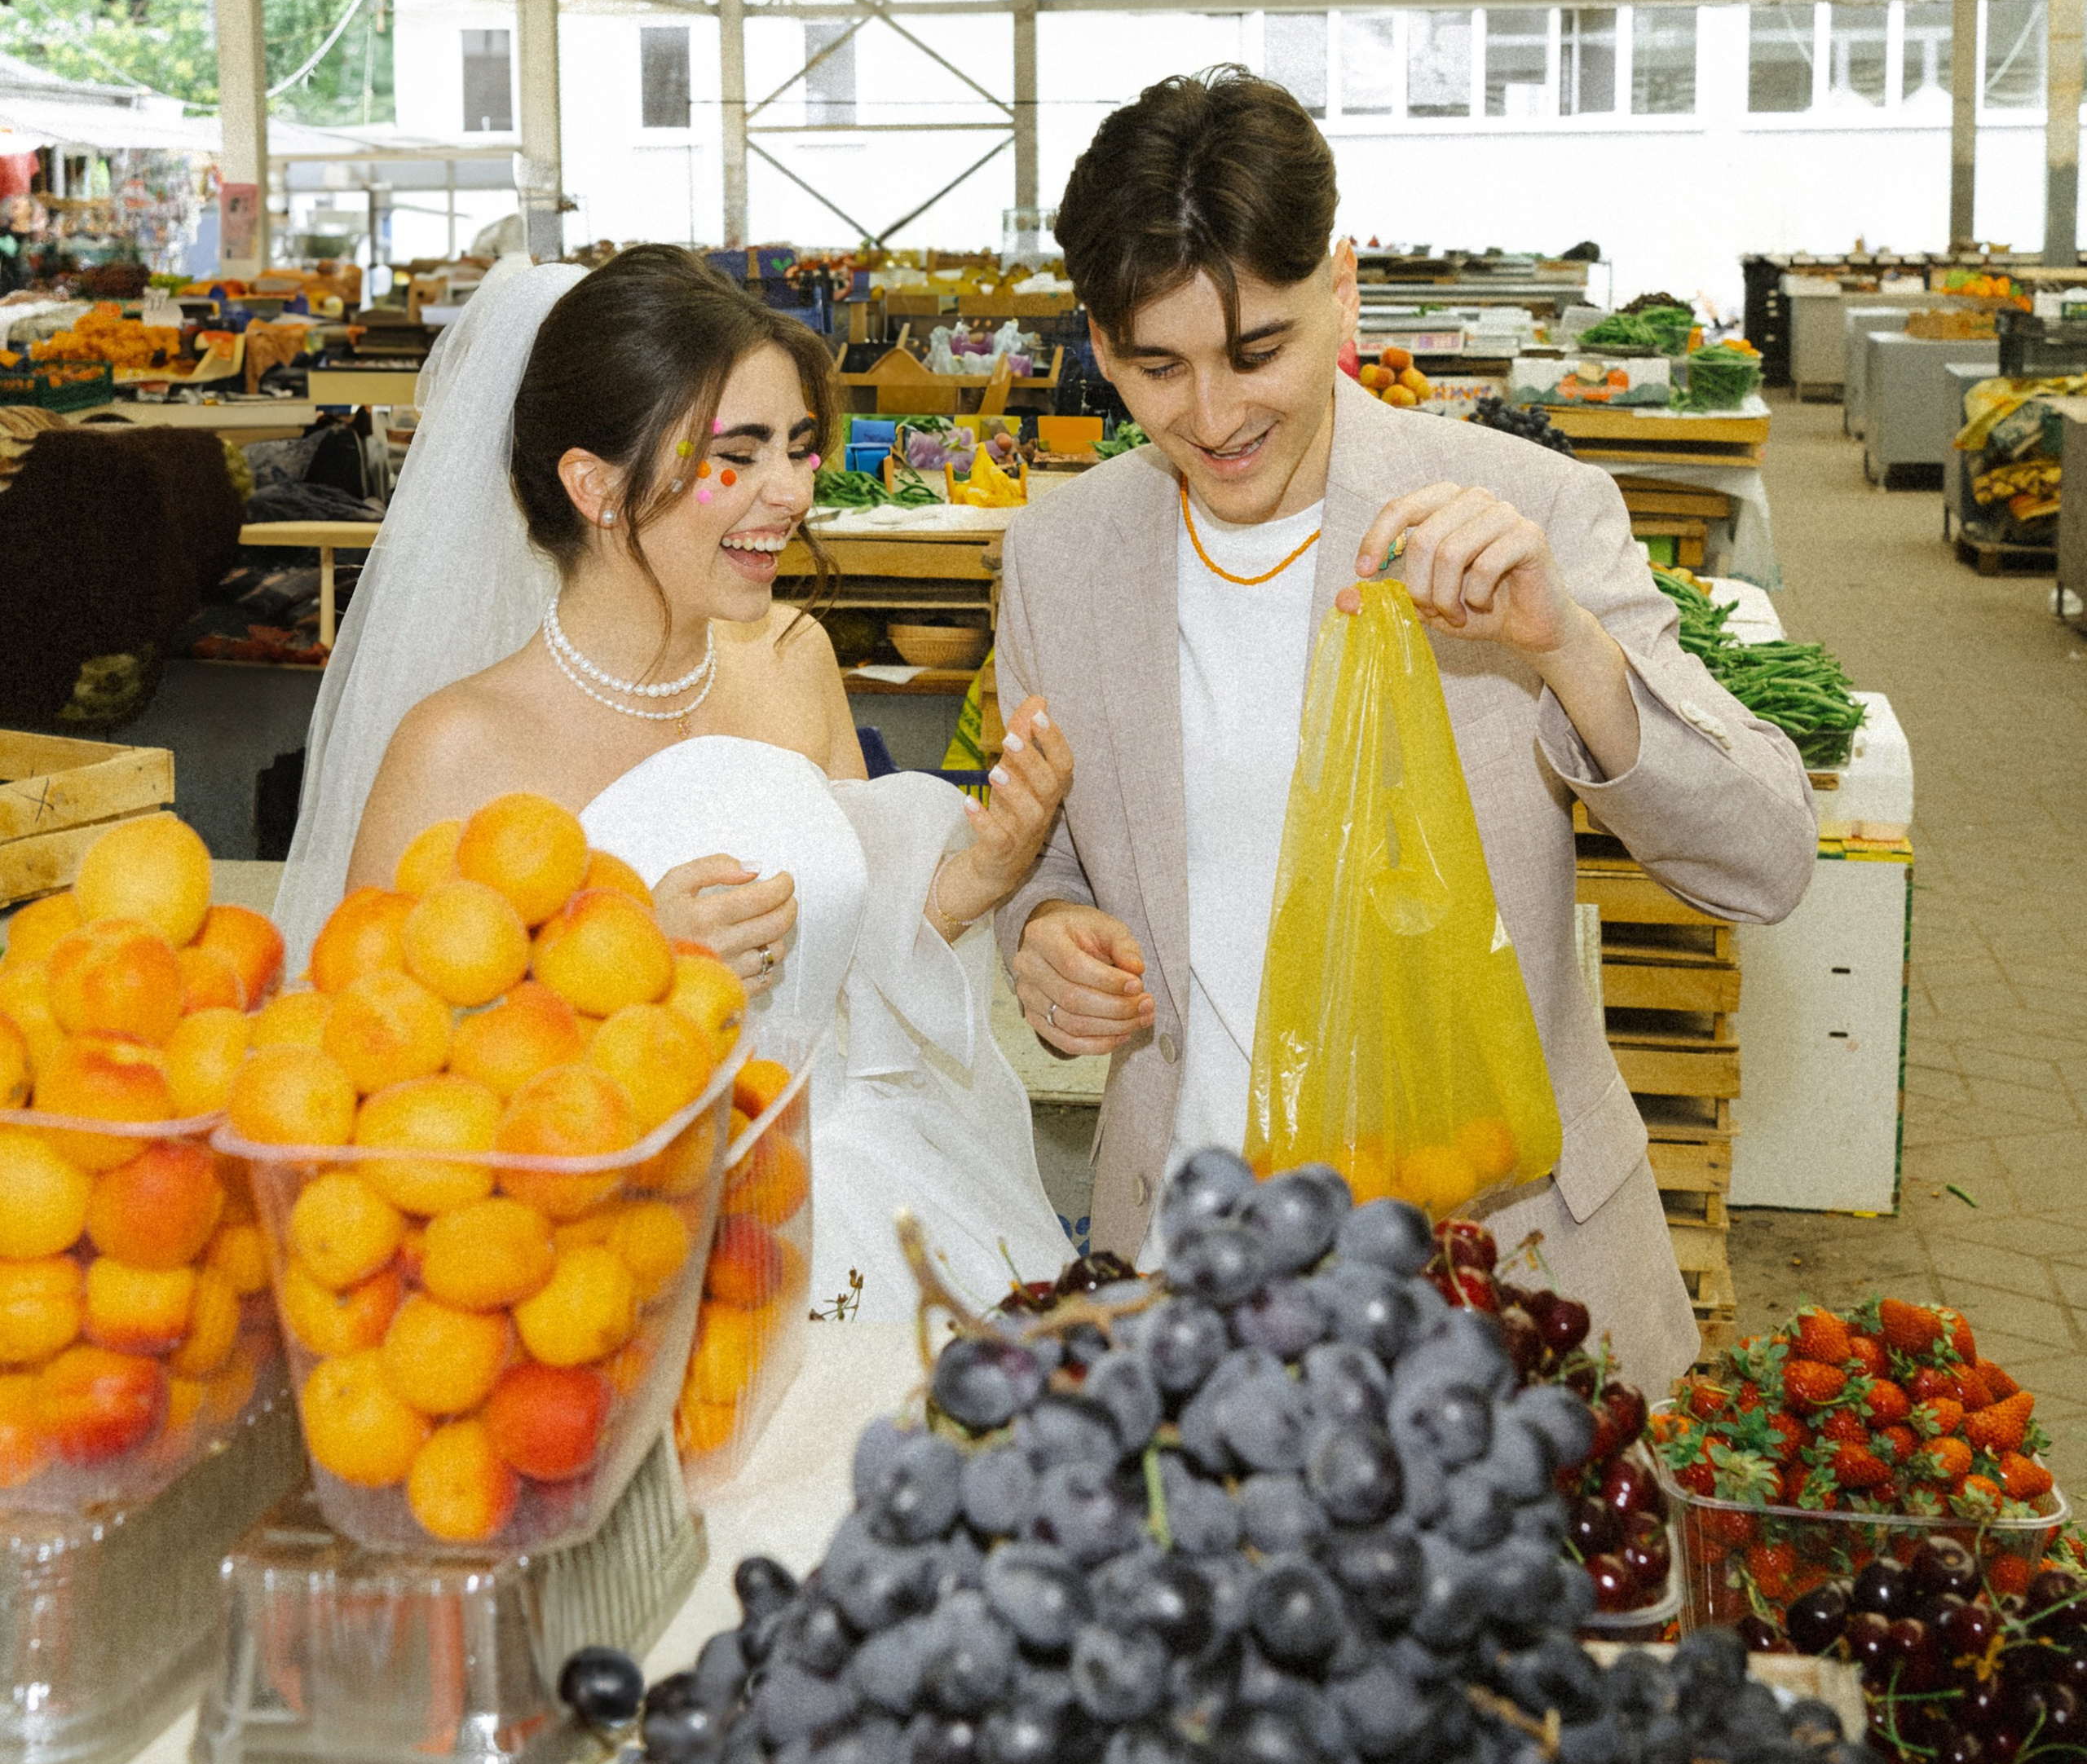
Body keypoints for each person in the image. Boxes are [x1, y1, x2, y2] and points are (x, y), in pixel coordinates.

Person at [993, 73, 1817, 1396]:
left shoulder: (1518, 509)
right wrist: (1041, 932)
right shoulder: (1058, 559)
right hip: (1194, 1284)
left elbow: (1768, 857)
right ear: (1097, 343)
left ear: (1344, 290)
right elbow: (1050, 854)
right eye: (1158, 367)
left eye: (1258, 349)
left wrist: (1566, 646)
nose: (1212, 417)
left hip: (1497, 1277)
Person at [279, 245, 1074, 1319]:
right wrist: (610, 972)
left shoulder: (794, 657)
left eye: (797, 448)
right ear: (595, 486)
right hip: (605, 1253)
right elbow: (374, 1080)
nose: (790, 493)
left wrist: (975, 879)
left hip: (850, 1194)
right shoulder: (457, 747)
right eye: (734, 458)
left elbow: (845, 932)